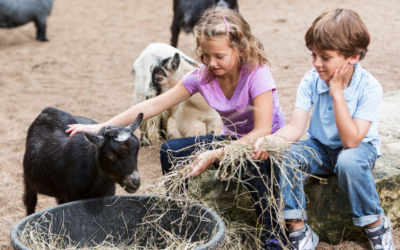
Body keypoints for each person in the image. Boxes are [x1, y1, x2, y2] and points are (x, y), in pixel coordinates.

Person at [67, 6, 286, 249]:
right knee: (170, 150)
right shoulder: (204, 76)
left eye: (219, 56)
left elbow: (262, 131)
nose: (211, 63)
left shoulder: (257, 74)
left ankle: (272, 233)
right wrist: (101, 126)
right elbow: (153, 104)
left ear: (241, 48)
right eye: (205, 55)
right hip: (229, 140)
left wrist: (214, 155)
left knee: (250, 162)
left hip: (264, 145)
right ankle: (180, 219)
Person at [253, 9, 395, 250]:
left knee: (348, 162)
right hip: (320, 148)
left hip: (358, 149)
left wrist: (337, 93)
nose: (317, 63)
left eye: (325, 57)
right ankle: (298, 230)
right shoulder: (310, 80)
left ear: (353, 57)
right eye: (314, 55)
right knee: (287, 155)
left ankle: (376, 225)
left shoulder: (369, 88)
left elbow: (351, 141)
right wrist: (271, 141)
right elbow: (296, 128)